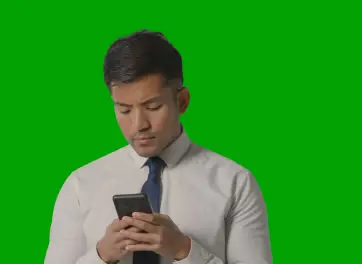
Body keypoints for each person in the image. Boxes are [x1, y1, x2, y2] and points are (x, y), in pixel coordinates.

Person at [44, 29, 273, 264]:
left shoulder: (235, 184)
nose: (138, 125)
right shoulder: (81, 185)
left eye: (153, 107)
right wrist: (102, 255)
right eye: (124, 110)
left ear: (182, 101)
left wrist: (185, 251)